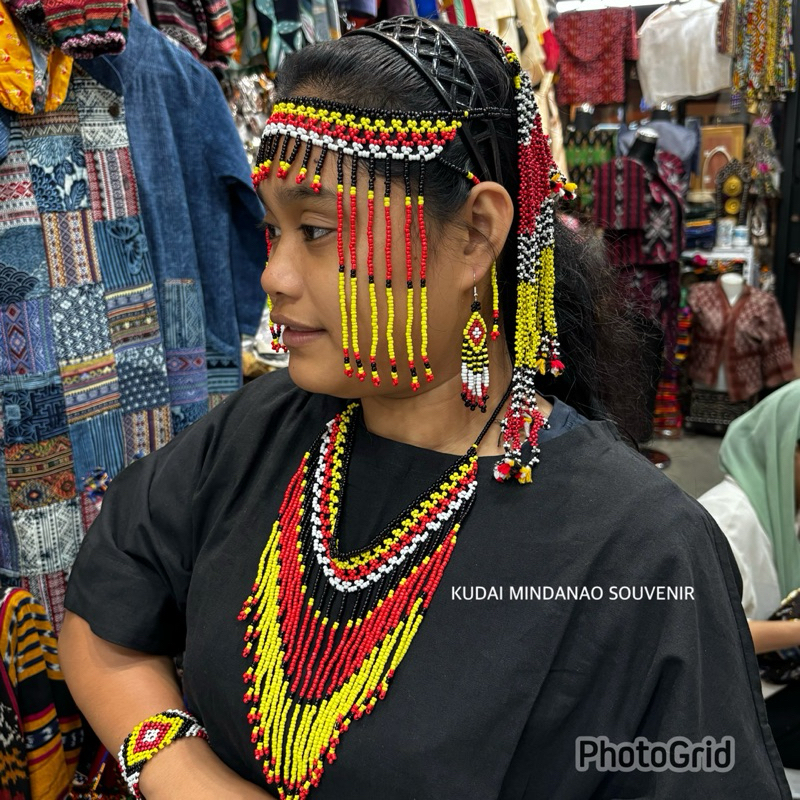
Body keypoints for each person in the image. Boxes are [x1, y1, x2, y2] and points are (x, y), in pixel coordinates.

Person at [58, 17, 789, 800]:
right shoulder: (258, 430)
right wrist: (183, 771)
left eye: (315, 230)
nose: (273, 275)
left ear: (475, 234)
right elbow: (103, 616)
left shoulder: (641, 553)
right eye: (274, 231)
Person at [698, 379, 800, 769]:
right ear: (784, 447)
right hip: (738, 703)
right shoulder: (727, 517)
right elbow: (709, 631)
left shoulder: (786, 506)